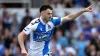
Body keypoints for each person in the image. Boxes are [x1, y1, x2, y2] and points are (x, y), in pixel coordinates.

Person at [18, 4, 93, 56]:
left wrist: (83, 11)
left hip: (46, 52)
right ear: (42, 13)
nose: (51, 15)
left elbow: (69, 17)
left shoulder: (53, 21)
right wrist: (23, 49)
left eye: (51, 13)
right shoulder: (35, 24)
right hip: (33, 53)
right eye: (48, 14)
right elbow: (21, 35)